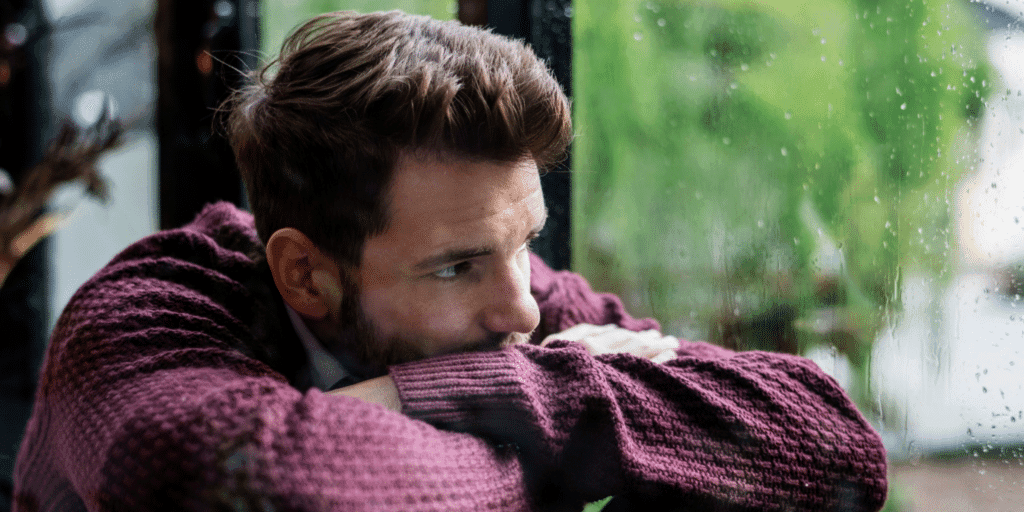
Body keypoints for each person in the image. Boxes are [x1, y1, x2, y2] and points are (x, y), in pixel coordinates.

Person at [13, 10, 887, 512]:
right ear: (305, 275)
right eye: (456, 267)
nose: (526, 313)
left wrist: (446, 397)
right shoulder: (141, 316)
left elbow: (837, 453)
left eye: (526, 240)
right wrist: (573, 433)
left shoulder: (521, 301)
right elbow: (249, 484)